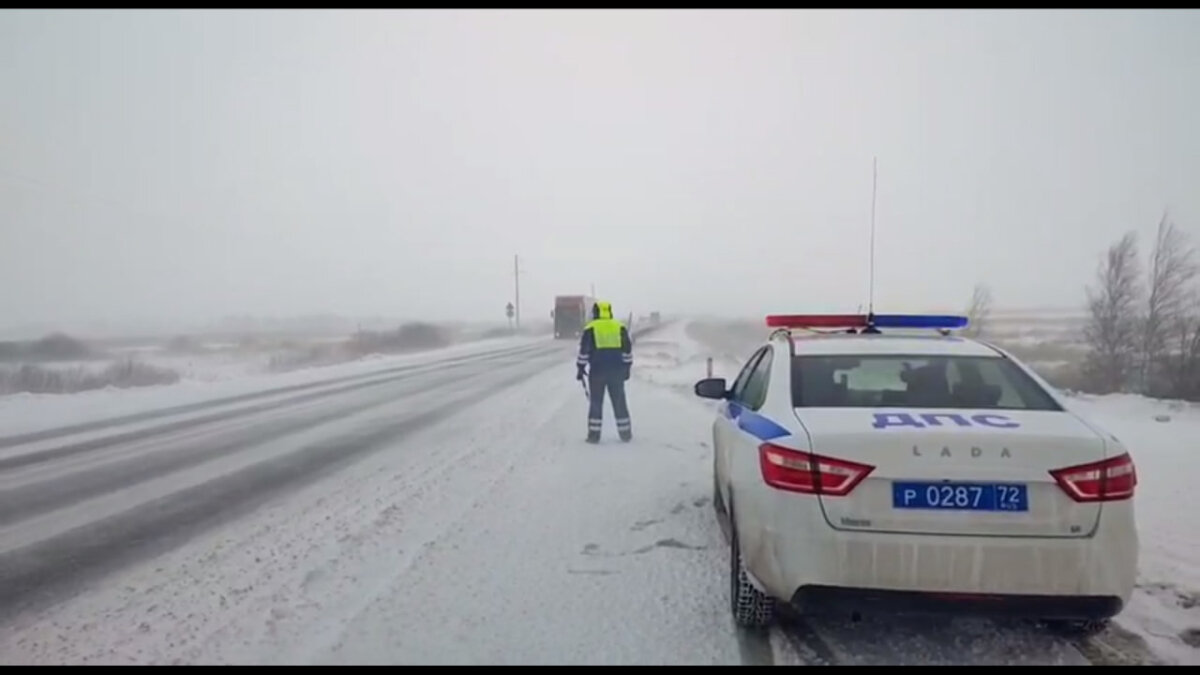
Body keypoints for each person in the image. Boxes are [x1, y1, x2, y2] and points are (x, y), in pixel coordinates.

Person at [576, 300, 633, 443]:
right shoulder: (619, 327)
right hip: (616, 371)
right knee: (620, 402)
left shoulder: (591, 328)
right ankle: (625, 433)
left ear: (596, 313)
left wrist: (580, 368)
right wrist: (626, 369)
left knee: (596, 403)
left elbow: (584, 352)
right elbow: (627, 351)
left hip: (597, 372)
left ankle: (594, 436)